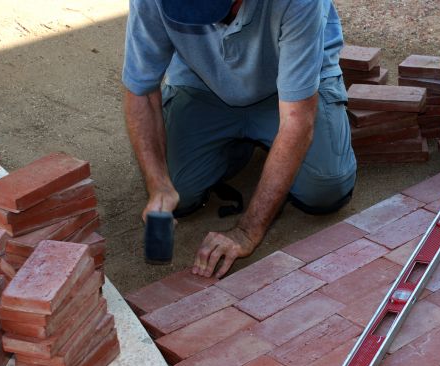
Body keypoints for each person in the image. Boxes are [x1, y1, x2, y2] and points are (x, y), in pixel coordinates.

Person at [122, 0, 357, 278]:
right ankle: (239, 146)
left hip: (288, 87)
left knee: (325, 188)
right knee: (178, 191)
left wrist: (247, 231)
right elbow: (141, 91)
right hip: (204, 81)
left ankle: (262, 141)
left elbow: (297, 122)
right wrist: (158, 185)